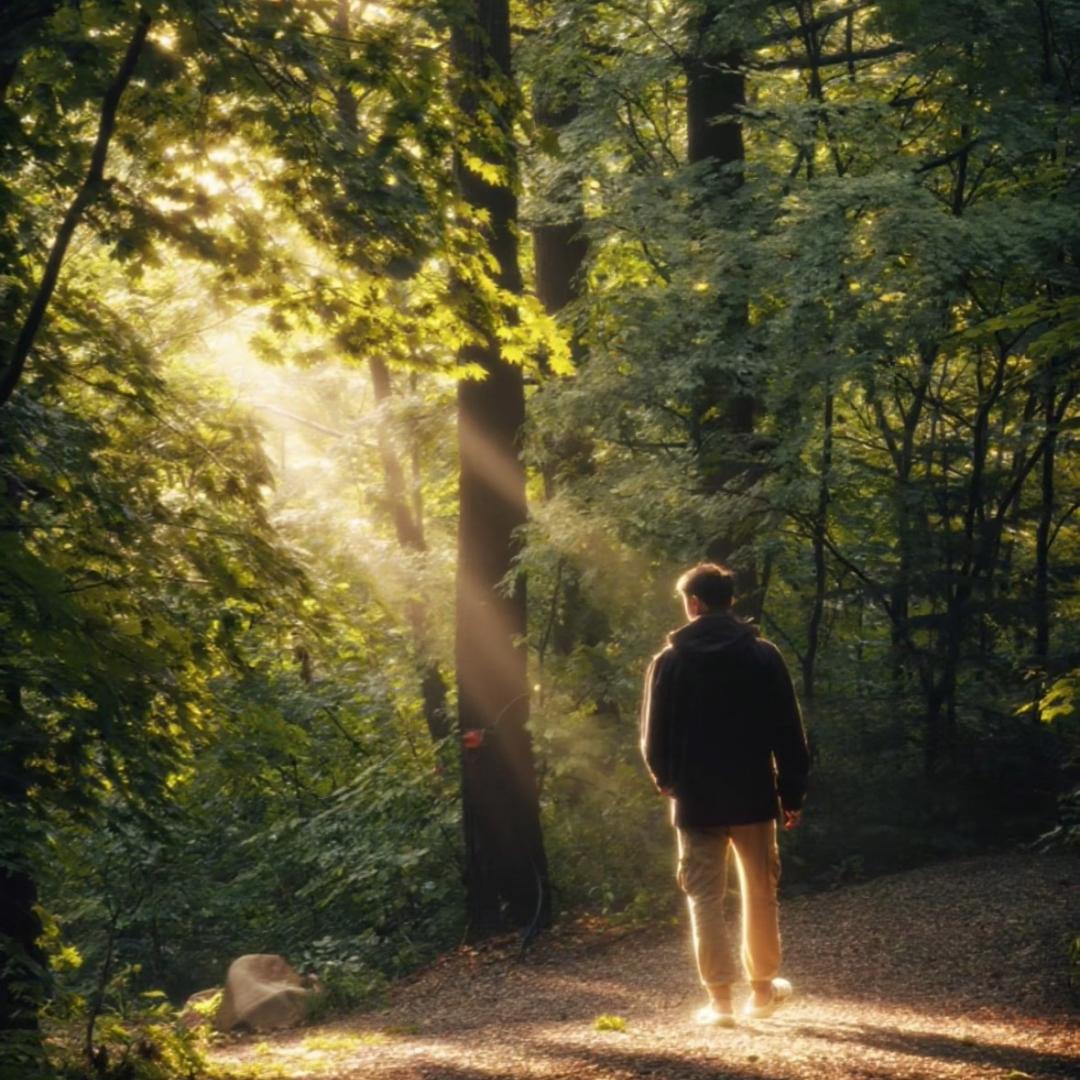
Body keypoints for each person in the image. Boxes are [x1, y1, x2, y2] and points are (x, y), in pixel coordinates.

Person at [640, 562, 809, 1026]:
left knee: (704, 897)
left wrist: (667, 779)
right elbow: (788, 731)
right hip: (754, 797)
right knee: (759, 893)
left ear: (693, 604)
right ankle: (760, 992)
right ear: (729, 600)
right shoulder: (763, 656)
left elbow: (653, 736)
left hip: (695, 800)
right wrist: (791, 792)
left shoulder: (669, 662)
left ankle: (719, 1003)